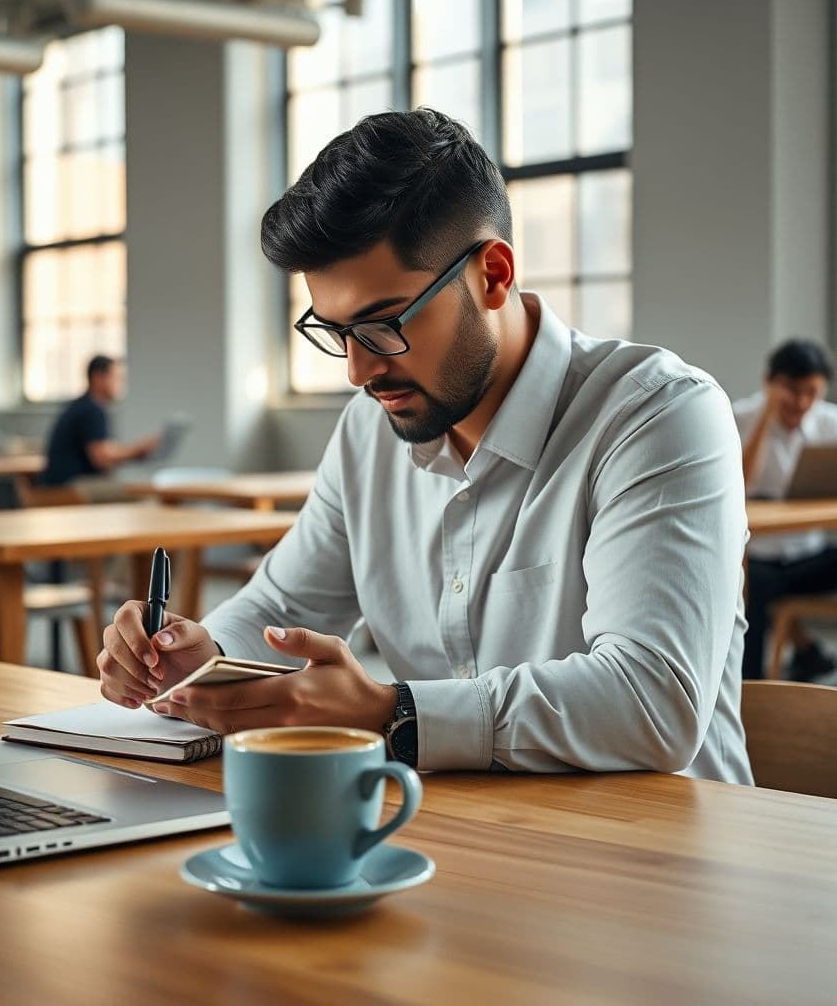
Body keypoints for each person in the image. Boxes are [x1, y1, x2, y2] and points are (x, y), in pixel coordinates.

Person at [98, 108, 752, 784]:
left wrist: (392, 713)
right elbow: (278, 611)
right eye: (336, 331)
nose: (358, 370)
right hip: (466, 843)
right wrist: (201, 653)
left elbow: (651, 704)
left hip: (666, 864)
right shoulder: (367, 430)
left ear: (493, 275)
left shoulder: (658, 416)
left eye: (383, 325)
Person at [733, 339, 837, 681]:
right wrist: (766, 415)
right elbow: (739, 484)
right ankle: (752, 690)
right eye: (791, 390)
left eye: (812, 392)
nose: (802, 402)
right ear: (769, 382)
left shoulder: (829, 423)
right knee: (750, 588)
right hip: (760, 562)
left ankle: (806, 651)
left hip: (809, 555)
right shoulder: (739, 417)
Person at [38, 355, 161, 487]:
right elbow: (102, 458)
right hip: (67, 485)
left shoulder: (85, 405)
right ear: (98, 378)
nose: (120, 384)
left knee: (131, 487)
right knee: (138, 491)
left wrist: (136, 453)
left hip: (68, 481)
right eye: (116, 378)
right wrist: (138, 450)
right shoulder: (90, 410)